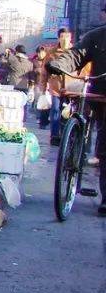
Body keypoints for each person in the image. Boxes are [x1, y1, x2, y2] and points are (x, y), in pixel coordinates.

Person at [46, 25, 106, 214]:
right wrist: (59, 65)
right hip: (100, 96)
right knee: (104, 146)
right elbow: (75, 55)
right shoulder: (97, 36)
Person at [47, 27, 76, 145]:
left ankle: (66, 135)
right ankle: (54, 136)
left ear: (71, 38)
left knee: (68, 113)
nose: (64, 39)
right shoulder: (52, 52)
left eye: (67, 36)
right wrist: (43, 87)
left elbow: (84, 68)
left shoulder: (75, 51)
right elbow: (45, 70)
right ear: (58, 37)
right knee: (55, 111)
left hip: (71, 88)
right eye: (62, 36)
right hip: (55, 88)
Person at [32, 44, 51, 128]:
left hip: (47, 85)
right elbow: (31, 72)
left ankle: (44, 120)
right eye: (39, 53)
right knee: (38, 102)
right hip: (37, 84)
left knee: (46, 103)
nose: (40, 54)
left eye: (42, 53)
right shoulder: (34, 62)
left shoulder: (48, 61)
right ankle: (39, 118)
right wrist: (36, 71)